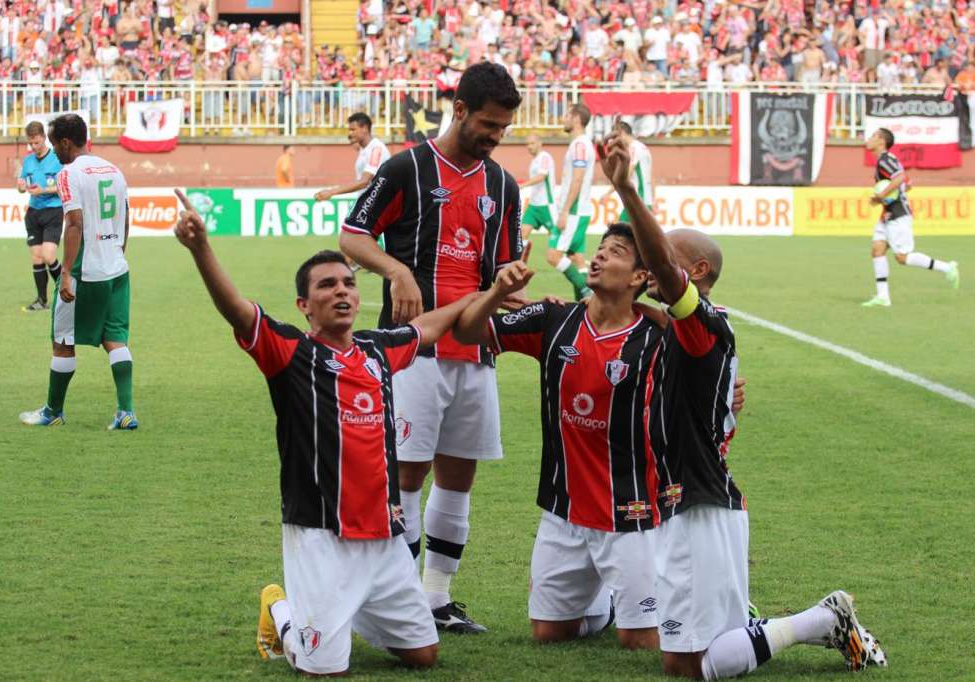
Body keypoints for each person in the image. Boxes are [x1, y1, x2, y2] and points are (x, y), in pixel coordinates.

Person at [599, 131, 888, 679]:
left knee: (688, 665)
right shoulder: (685, 329)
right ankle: (795, 620)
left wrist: (629, 195)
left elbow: (662, 275)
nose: (652, 267)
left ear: (696, 273)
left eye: (669, 262)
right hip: (697, 499)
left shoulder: (701, 324)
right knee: (696, 650)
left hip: (701, 503)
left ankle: (819, 619)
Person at [172, 191, 482, 676]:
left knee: (424, 656)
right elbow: (237, 310)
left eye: (347, 284)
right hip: (321, 535)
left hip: (383, 535)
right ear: (304, 305)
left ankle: (344, 611)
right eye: (326, 286)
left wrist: (489, 295)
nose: (341, 291)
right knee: (323, 670)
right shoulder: (291, 353)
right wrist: (200, 249)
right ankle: (282, 609)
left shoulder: (378, 350)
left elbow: (428, 326)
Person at [339, 62, 523, 634]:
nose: (496, 137)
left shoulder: (503, 186)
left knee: (458, 477)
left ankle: (437, 597)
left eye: (504, 129)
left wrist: (510, 287)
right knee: (408, 477)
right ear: (460, 110)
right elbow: (351, 234)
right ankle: (397, 596)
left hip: (476, 353)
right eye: (489, 125)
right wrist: (396, 270)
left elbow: (498, 271)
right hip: (413, 352)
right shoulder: (405, 169)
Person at [453, 230, 663, 652]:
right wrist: (498, 291)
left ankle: (648, 600)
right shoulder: (554, 318)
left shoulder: (658, 338)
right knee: (549, 634)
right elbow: (467, 332)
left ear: (640, 275)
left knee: (641, 642)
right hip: (562, 507)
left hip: (630, 510)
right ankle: (603, 603)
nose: (599, 257)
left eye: (615, 253)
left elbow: (708, 354)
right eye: (599, 250)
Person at [19, 114, 137, 430]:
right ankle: (126, 412)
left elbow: (74, 224)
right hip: (116, 270)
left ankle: (53, 411)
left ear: (66, 142)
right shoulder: (114, 170)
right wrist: (117, 253)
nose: (54, 150)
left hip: (86, 271)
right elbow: (126, 218)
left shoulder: (69, 173)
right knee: (115, 338)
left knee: (62, 340)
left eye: (55, 143)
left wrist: (67, 272)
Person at [862, 128, 959, 307]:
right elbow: (907, 184)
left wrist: (882, 195)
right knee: (877, 250)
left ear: (881, 141)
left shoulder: (885, 160)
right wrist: (886, 197)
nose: (868, 139)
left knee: (902, 257)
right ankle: (883, 297)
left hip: (898, 214)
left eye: (872, 136)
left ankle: (947, 268)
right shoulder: (887, 160)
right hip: (888, 214)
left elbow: (901, 177)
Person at [549, 103, 595, 301]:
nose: (564, 118)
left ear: (576, 119)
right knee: (577, 259)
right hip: (579, 210)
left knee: (553, 256)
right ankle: (583, 307)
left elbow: (577, 178)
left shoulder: (580, 145)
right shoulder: (582, 143)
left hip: (574, 211)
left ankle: (589, 292)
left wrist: (565, 211)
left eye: (567, 115)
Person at [17, 120, 63, 311]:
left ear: (44, 138)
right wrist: (21, 187)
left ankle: (66, 293)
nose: (34, 147)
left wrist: (43, 190)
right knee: (37, 257)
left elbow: (62, 187)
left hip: (53, 210)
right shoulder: (27, 161)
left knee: (48, 255)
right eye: (31, 143)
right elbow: (22, 184)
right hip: (34, 213)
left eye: (37, 142)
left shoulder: (57, 159)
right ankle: (42, 300)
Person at [313, 112, 391, 202]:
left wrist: (331, 192)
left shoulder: (376, 150)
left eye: (353, 130)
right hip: (366, 202)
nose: (350, 133)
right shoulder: (365, 148)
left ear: (365, 128)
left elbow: (364, 181)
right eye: (349, 130)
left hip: (377, 204)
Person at [518, 133, 556, 256]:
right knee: (522, 233)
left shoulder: (544, 157)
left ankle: (569, 258)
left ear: (540, 143)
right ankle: (520, 263)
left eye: (532, 143)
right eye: (527, 144)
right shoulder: (534, 160)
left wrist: (523, 185)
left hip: (546, 204)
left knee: (556, 237)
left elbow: (541, 176)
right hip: (534, 205)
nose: (529, 146)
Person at [616, 122, 653, 224]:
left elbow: (627, 174)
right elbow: (650, 176)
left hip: (637, 199)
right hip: (647, 200)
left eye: (616, 136)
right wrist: (654, 199)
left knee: (619, 232)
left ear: (622, 133)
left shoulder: (633, 149)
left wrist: (609, 192)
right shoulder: (644, 148)